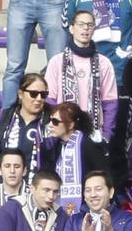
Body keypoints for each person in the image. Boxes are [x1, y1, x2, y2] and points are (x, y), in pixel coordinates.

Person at [44, 10, 118, 144]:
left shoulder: (104, 63)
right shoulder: (57, 61)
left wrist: (106, 136)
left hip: (94, 135)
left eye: (90, 25)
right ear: (71, 29)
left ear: (94, 30)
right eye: (81, 24)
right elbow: (50, 102)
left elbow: (110, 103)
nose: (85, 28)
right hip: (62, 134)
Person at [0, 73, 50, 200]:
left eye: (43, 95)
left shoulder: (51, 121)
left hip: (38, 198)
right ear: (20, 94)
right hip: (2, 195)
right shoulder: (3, 118)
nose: (39, 99)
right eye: (33, 93)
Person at [40, 103, 116, 209]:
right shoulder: (58, 145)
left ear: (71, 125)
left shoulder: (88, 144)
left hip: (87, 207)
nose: (50, 125)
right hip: (60, 207)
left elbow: (104, 175)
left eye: (55, 122)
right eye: (50, 120)